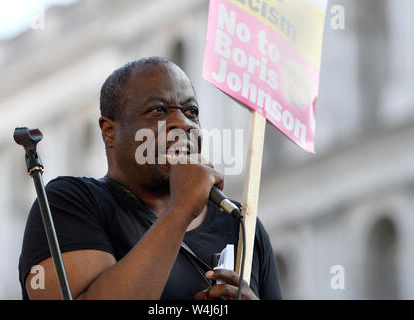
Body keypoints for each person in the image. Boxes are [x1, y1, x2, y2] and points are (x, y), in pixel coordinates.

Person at [18, 56, 283, 300]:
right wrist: (180, 210)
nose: (184, 123)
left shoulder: (243, 227)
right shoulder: (68, 203)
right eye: (158, 110)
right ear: (109, 131)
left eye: (191, 112)